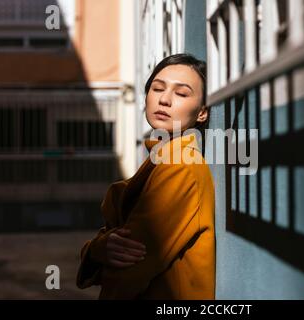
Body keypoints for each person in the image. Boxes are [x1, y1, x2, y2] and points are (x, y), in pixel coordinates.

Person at [76, 53, 215, 300]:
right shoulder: (161, 159)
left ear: (202, 112)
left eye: (181, 94)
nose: (164, 99)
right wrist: (98, 249)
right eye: (157, 88)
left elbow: (128, 266)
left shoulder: (180, 165)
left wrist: (95, 250)